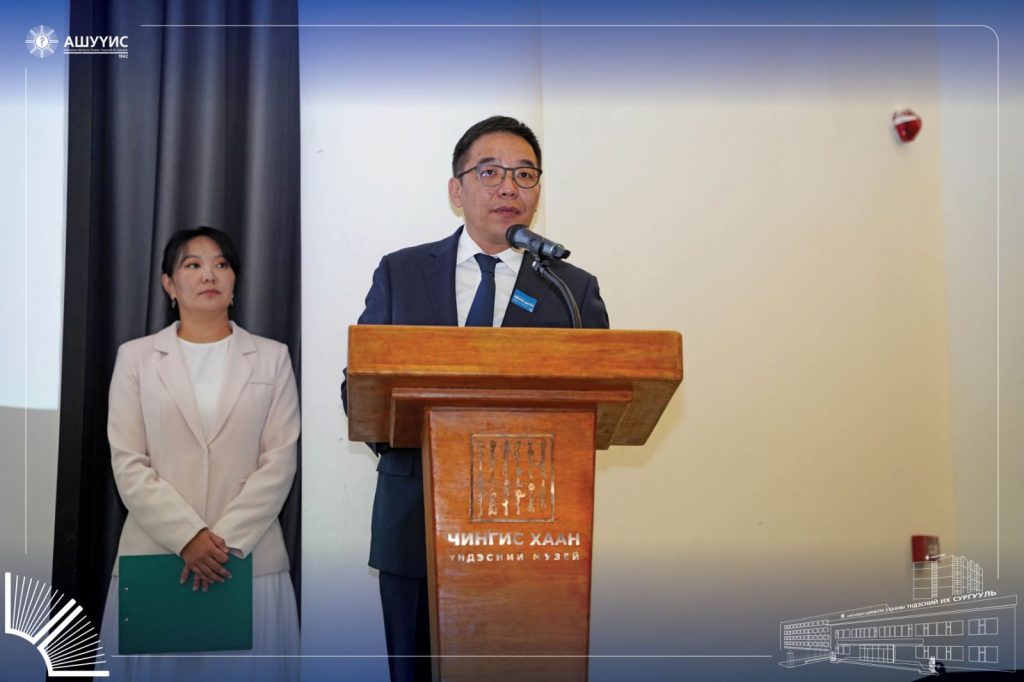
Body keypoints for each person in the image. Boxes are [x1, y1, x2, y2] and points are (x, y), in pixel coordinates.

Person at [343, 115, 610, 682]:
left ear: (538, 191)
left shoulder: (571, 288)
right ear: (456, 190)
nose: (508, 186)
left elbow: (597, 398)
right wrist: (428, 454)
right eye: (490, 172)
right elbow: (359, 389)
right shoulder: (402, 272)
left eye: (524, 174)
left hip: (532, 531)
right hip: (414, 523)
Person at [101, 227, 300, 681]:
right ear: (169, 284)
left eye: (221, 264)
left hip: (247, 560)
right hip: (157, 558)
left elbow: (279, 459)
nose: (209, 275)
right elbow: (128, 461)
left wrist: (220, 544)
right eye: (193, 265)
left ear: (234, 280)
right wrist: (187, 536)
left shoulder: (272, 358)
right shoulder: (136, 358)